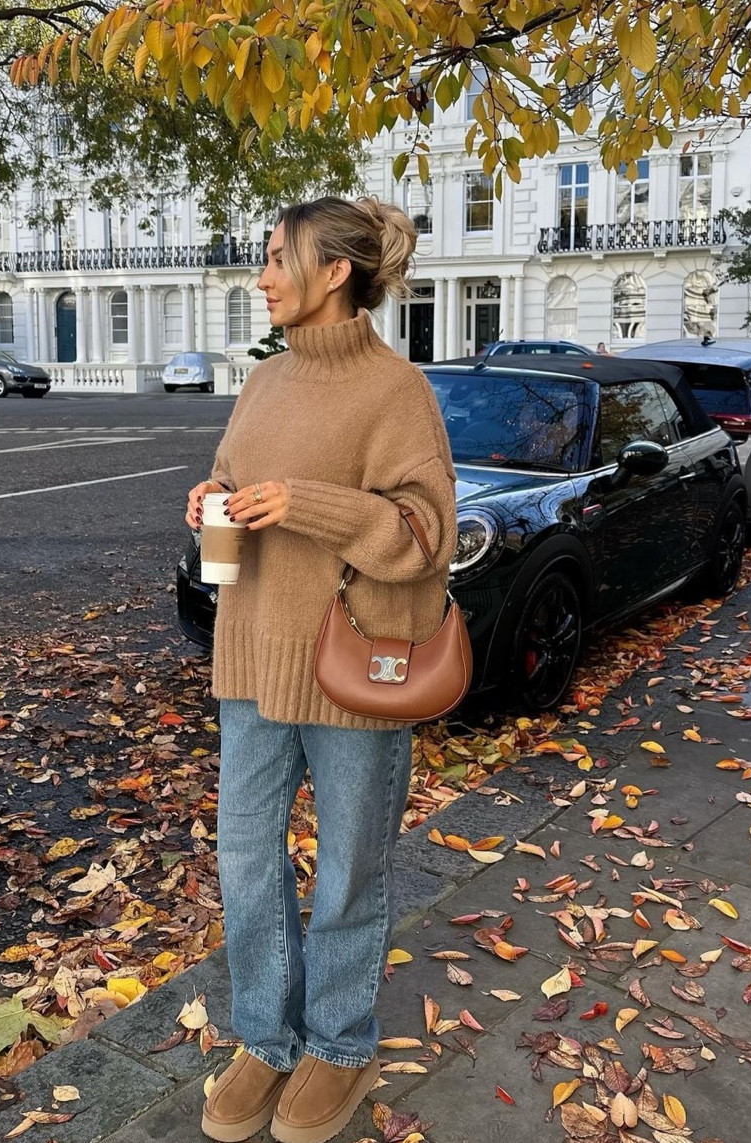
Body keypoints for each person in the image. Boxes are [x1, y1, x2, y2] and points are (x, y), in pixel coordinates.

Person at [184, 196, 457, 1143]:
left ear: (333, 271)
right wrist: (214, 496)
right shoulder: (264, 380)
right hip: (252, 656)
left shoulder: (395, 390)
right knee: (247, 859)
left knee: (347, 869)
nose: (260, 275)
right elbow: (236, 475)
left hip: (355, 669)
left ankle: (340, 1045)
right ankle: (267, 1035)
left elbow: (425, 534)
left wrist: (305, 502)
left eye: (276, 257)